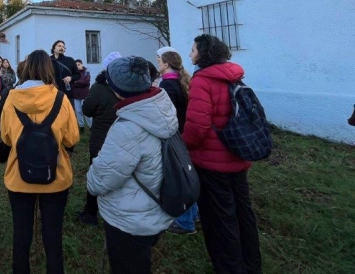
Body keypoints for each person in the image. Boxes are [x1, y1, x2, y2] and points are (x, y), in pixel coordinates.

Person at [86, 56, 178, 274]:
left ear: (118, 89)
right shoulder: (160, 106)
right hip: (154, 204)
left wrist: (90, 178)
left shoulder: (128, 128)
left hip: (130, 218)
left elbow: (102, 178)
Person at [183, 34, 262, 273]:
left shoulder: (202, 80)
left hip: (211, 162)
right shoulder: (235, 75)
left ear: (203, 53)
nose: (190, 54)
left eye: (193, 49)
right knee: (243, 213)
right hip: (238, 154)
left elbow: (197, 127)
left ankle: (230, 267)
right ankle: (251, 263)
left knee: (220, 219)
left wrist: (184, 145)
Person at [0, 49, 80, 274]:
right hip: (56, 175)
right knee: (53, 235)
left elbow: (6, 136)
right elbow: (72, 138)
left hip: (18, 176)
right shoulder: (61, 99)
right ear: (49, 68)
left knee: (21, 234)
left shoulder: (11, 98)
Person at [157, 48, 198, 235]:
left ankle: (184, 221)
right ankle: (194, 213)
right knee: (186, 174)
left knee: (178, 177)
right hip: (184, 132)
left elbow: (166, 115)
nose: (158, 64)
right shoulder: (183, 82)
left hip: (174, 136)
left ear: (166, 64)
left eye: (159, 61)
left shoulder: (167, 86)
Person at [77, 54, 120, 226]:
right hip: (125, 141)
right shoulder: (130, 89)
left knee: (95, 175)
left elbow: (87, 110)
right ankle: (116, 213)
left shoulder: (98, 88)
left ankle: (91, 213)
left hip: (101, 140)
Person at [72, 59, 92, 132]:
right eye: (76, 65)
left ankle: (91, 126)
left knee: (86, 111)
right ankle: (81, 126)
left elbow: (86, 82)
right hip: (76, 95)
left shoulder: (86, 73)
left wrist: (76, 81)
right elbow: (72, 84)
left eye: (79, 64)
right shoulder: (73, 74)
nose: (77, 66)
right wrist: (79, 83)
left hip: (85, 95)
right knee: (78, 112)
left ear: (82, 64)